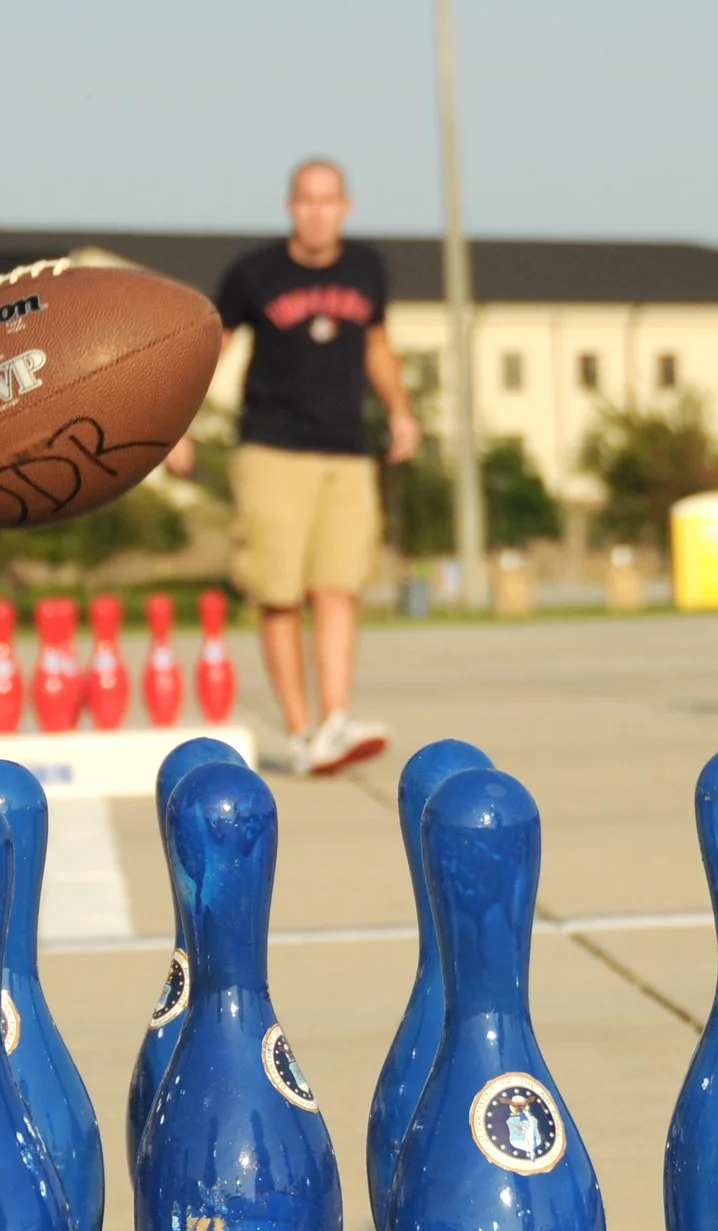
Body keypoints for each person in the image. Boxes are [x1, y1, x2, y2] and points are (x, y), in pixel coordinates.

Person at [165, 158, 420, 775]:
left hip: (346, 451)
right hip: (271, 449)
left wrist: (402, 412)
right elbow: (213, 349)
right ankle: (303, 733)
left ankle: (335, 720)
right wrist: (180, 423)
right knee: (279, 593)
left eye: (328, 201)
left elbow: (379, 346)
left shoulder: (367, 268)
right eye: (306, 200)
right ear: (290, 206)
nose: (317, 212)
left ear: (346, 207)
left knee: (339, 586)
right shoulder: (254, 274)